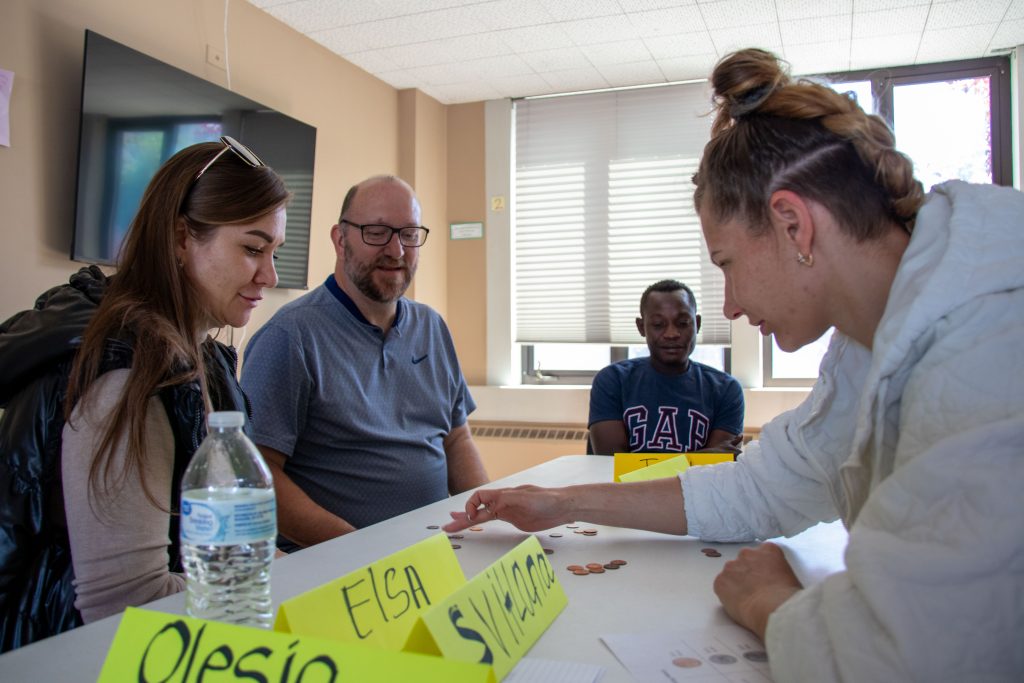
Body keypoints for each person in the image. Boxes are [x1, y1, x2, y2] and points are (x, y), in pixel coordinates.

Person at [445, 48, 1024, 682]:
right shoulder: (871, 340)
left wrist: (768, 601)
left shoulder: (985, 342)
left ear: (793, 226)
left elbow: (906, 659)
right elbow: (761, 489)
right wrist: (562, 503)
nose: (730, 304)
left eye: (726, 264)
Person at [0, 137, 288, 651]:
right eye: (252, 248)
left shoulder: (205, 357)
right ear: (181, 238)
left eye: (274, 252)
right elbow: (125, 603)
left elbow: (228, 545)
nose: (269, 276)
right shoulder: (127, 377)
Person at [240, 175, 488, 552]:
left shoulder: (431, 327)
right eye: (376, 232)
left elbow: (457, 438)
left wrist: (486, 517)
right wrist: (362, 550)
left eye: (408, 234)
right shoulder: (290, 338)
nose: (396, 250)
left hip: (437, 551)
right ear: (340, 239)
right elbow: (259, 474)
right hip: (339, 567)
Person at [588, 279, 744, 455]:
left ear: (697, 324)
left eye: (683, 323)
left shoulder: (726, 390)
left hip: (695, 485)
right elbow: (610, 463)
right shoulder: (613, 380)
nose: (672, 334)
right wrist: (698, 458)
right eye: (658, 325)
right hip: (623, 484)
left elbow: (715, 471)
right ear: (641, 327)